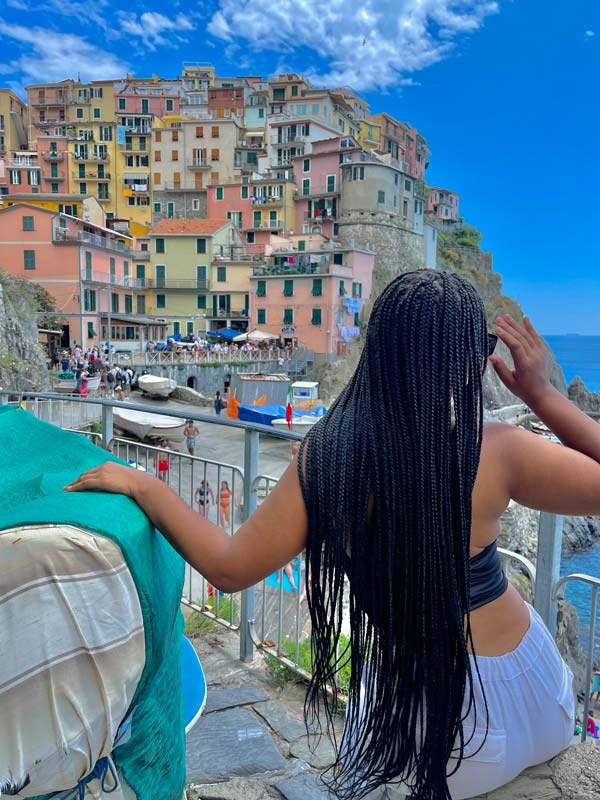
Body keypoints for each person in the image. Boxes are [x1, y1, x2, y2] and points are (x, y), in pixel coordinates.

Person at [68, 270, 600, 800]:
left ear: (378, 350)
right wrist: (542, 394)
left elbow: (229, 568)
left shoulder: (327, 462)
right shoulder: (498, 450)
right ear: (465, 361)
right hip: (537, 691)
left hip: (437, 722)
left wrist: (142, 485)